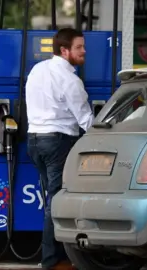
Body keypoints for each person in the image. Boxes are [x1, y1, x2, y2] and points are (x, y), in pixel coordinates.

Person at [25, 28, 94, 270]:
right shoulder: (70, 80)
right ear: (64, 51)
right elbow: (85, 119)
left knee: (52, 201)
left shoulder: (37, 69)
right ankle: (52, 262)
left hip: (34, 140)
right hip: (58, 142)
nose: (84, 51)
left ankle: (56, 259)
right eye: (79, 47)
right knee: (56, 203)